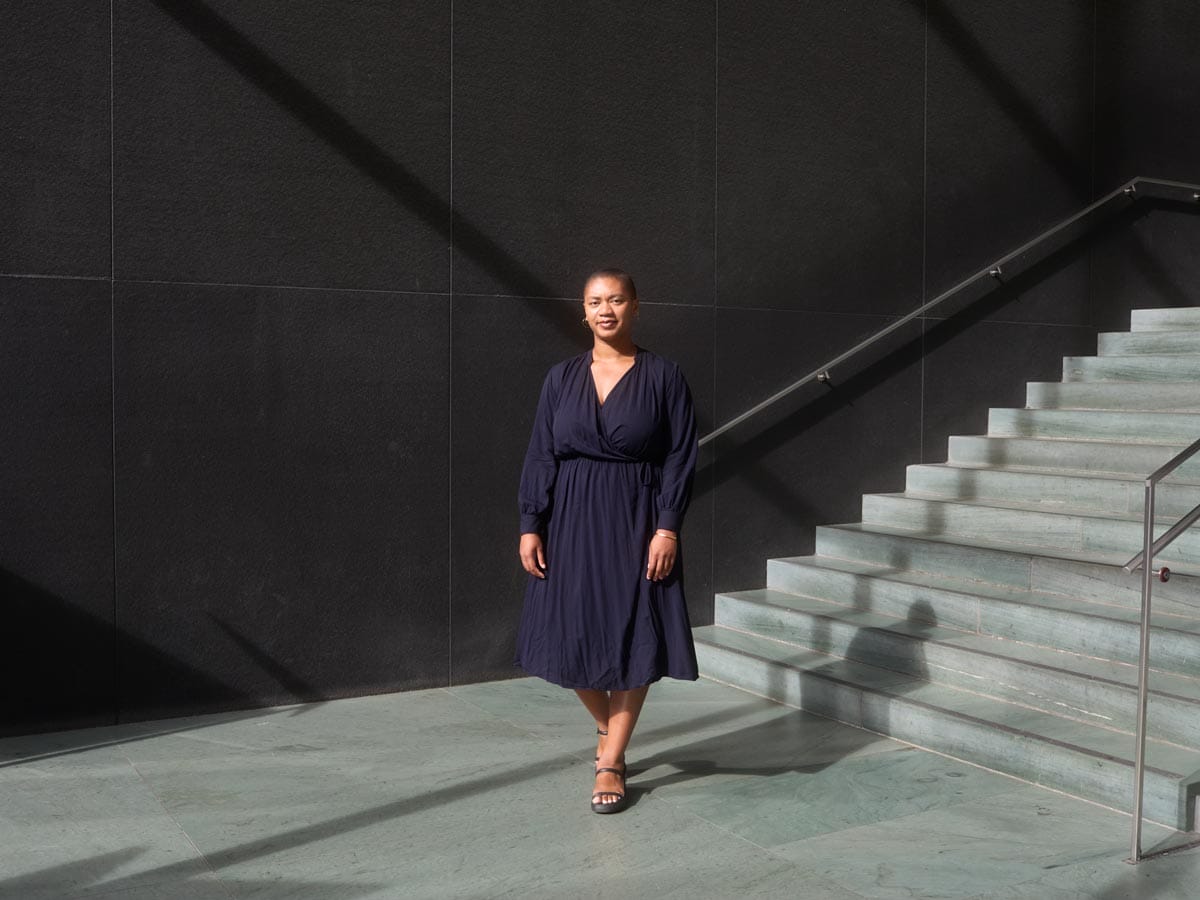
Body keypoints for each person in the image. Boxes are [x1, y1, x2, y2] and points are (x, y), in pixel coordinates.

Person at [515, 268, 699, 814]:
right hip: (570, 516)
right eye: (595, 301)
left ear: (635, 306)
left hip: (637, 516)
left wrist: (667, 526)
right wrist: (531, 521)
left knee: (633, 629)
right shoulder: (560, 378)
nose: (605, 309)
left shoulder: (664, 376)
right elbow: (541, 453)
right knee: (570, 631)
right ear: (584, 311)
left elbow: (681, 456)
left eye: (616, 299)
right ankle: (607, 728)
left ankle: (612, 760)